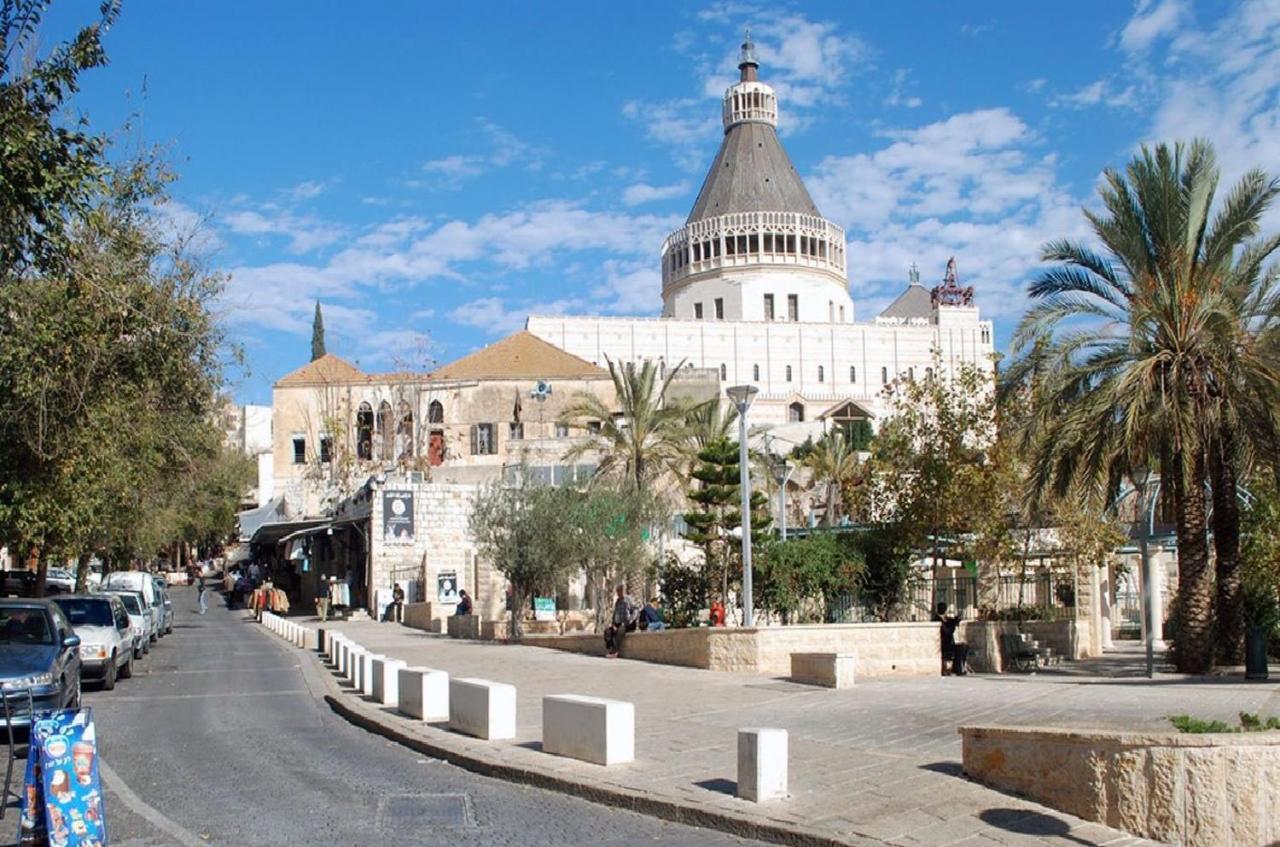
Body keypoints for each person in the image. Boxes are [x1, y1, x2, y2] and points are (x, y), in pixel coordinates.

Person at [932, 602, 969, 675]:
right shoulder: (937, 619)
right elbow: (947, 631)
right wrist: (952, 625)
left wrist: (956, 620)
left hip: (949, 643)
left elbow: (952, 621)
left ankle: (957, 667)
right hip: (943, 645)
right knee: (960, 648)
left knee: (964, 647)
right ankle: (957, 669)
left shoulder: (946, 619)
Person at [603, 585, 638, 657]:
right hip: (618, 623)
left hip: (628, 623)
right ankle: (611, 647)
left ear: (623, 591)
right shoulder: (617, 602)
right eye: (618, 591)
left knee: (620, 631)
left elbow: (636, 609)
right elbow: (615, 613)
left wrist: (630, 620)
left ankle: (615, 651)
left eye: (620, 591)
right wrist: (613, 624)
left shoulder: (629, 600)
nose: (619, 593)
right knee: (608, 631)